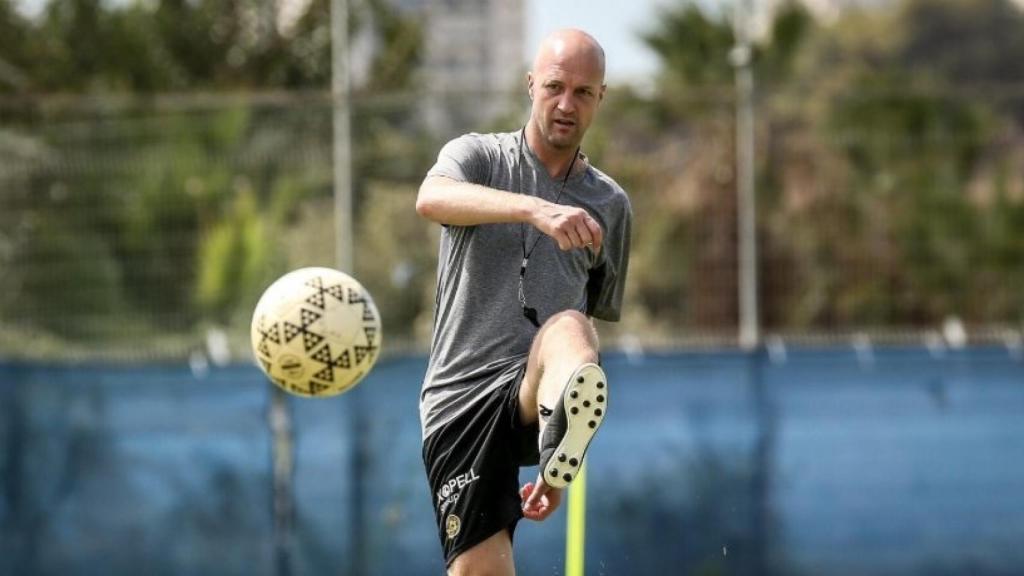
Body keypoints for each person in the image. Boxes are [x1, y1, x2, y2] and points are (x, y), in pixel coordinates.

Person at [415, 28, 632, 575]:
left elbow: (587, 322)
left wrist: (557, 461)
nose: (566, 104)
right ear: (530, 84)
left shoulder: (611, 205)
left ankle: (559, 431)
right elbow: (431, 197)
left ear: (601, 99)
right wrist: (535, 210)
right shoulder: (478, 156)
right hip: (461, 402)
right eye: (555, 86)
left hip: (533, 391)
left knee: (571, 328)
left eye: (584, 92)